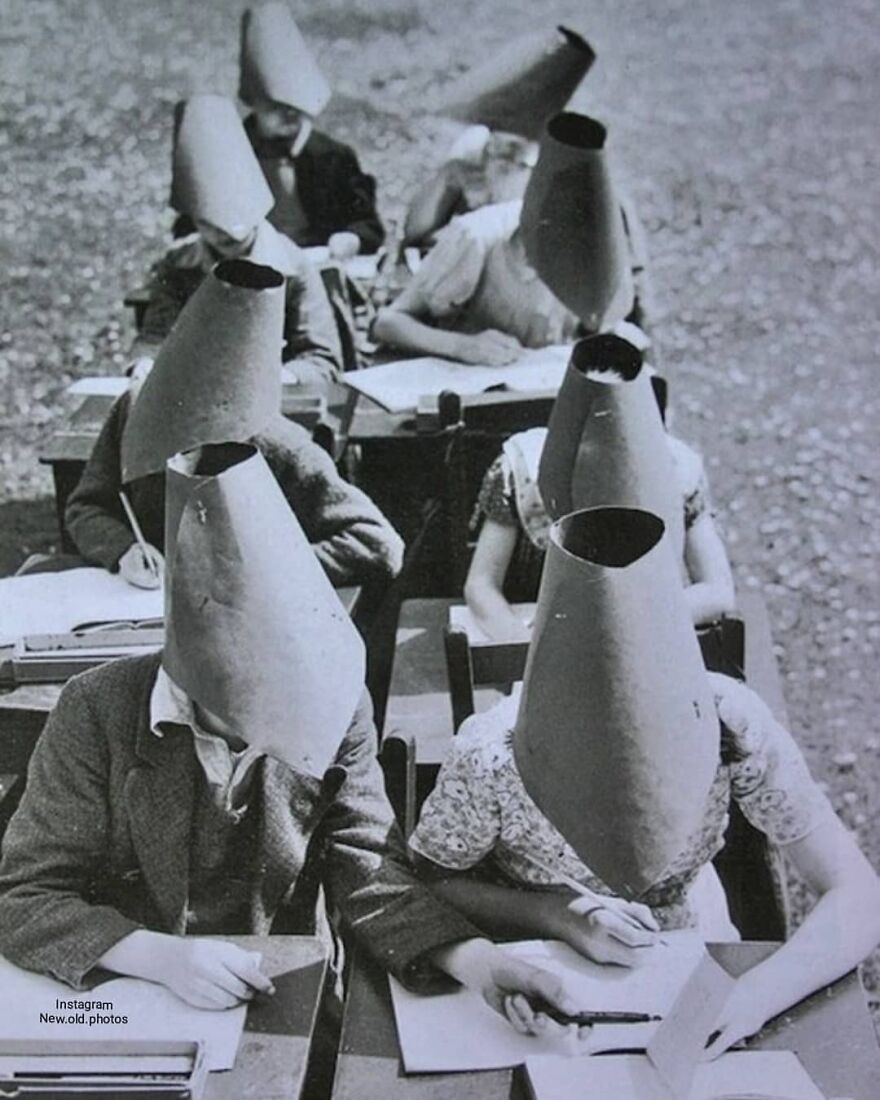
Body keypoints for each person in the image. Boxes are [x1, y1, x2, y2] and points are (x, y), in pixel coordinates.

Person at [0, 443, 628, 1037]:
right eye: (265, 692)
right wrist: (157, 957)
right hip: (115, 1006)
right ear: (202, 669)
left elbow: (368, 867)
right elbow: (24, 896)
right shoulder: (97, 709)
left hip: (275, 994)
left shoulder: (331, 699)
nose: (293, 716)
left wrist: (480, 963)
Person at [410, 507, 880, 1054]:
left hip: (694, 961)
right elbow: (431, 881)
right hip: (538, 970)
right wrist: (554, 913)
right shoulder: (491, 752)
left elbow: (858, 892)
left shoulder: (730, 720)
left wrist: (753, 997)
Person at [67, 258, 401, 590]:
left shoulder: (279, 444)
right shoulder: (135, 409)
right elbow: (87, 505)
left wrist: (259, 572)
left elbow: (379, 544)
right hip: (152, 601)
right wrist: (123, 549)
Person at [465, 336, 736, 640]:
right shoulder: (522, 467)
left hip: (643, 637)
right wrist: (522, 647)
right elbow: (481, 584)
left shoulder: (677, 470)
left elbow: (717, 590)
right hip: (543, 632)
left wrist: (627, 626)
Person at [133, 93, 341, 386]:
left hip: (271, 395)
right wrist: (145, 363)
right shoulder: (180, 264)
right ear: (193, 218)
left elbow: (323, 359)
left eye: (239, 220)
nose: (229, 233)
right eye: (211, 223)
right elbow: (155, 335)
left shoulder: (291, 264)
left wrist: (282, 377)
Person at [402, 25, 595, 249]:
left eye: (512, 149)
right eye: (497, 145)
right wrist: (446, 179)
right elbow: (414, 232)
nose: (500, 155)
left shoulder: (557, 174)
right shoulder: (475, 145)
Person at [237, 0, 383, 255]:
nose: (289, 113)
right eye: (276, 106)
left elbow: (367, 224)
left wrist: (350, 239)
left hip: (314, 261)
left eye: (296, 104)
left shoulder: (332, 156)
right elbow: (193, 221)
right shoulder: (232, 152)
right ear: (253, 102)